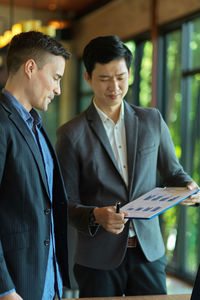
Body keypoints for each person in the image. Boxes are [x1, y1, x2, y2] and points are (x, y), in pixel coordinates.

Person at [56, 35, 200, 297]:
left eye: (121, 76)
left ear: (130, 73)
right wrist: (95, 215)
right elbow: (64, 203)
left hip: (148, 253)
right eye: (104, 78)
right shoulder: (70, 134)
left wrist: (188, 185)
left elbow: (173, 172)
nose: (115, 86)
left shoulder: (151, 120)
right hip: (96, 259)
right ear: (88, 77)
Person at [0, 31, 71, 300]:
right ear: (30, 67)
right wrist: (5, 289)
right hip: (16, 287)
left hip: (47, 282)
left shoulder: (37, 126)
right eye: (56, 77)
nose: (58, 89)